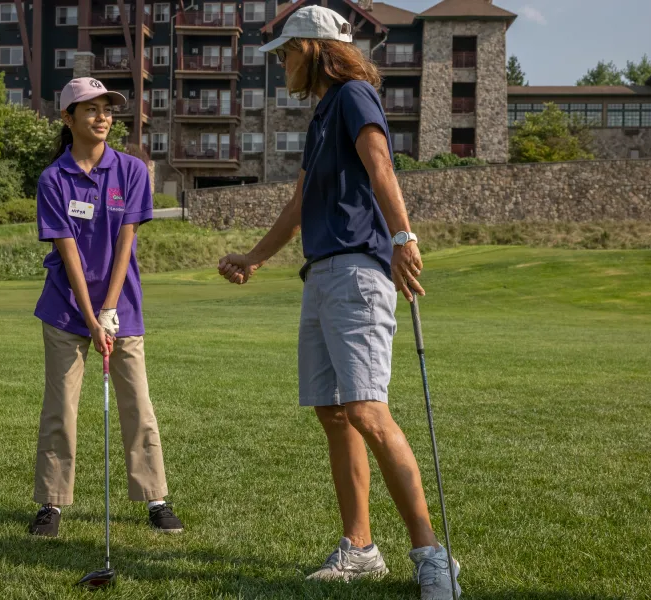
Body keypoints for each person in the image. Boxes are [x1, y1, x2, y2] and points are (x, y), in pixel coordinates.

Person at [217, 7, 460, 599]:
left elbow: (380, 164)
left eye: (285, 52)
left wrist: (404, 237)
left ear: (314, 49)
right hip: (320, 273)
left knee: (368, 410)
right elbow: (300, 203)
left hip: (356, 270)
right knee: (334, 412)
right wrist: (253, 258)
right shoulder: (321, 115)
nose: (281, 63)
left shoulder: (353, 96)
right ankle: (360, 548)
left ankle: (432, 556)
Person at [29, 77, 183, 537]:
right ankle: (52, 504)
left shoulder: (133, 171)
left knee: (138, 403)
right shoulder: (54, 179)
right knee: (61, 407)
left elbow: (125, 244)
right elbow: (68, 252)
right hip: (65, 309)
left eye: (108, 109)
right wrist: (90, 317)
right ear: (68, 118)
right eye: (91, 109)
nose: (102, 117)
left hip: (123, 308)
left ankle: (156, 498)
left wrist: (110, 310)